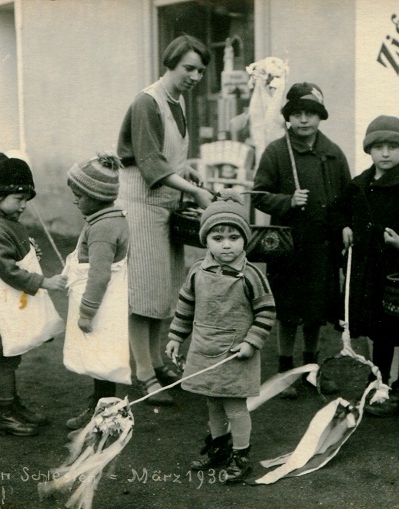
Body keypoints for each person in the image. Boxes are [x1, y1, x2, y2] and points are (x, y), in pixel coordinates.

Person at [116, 35, 214, 405]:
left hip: (166, 205)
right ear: (170, 63)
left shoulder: (179, 102)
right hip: (141, 206)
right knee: (143, 293)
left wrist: (188, 174)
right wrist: (194, 192)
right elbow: (150, 162)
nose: (194, 75)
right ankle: (142, 373)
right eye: (188, 67)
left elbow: (169, 156)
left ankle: (158, 361)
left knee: (163, 290)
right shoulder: (148, 102)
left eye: (201, 70)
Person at [166, 191, 276, 484]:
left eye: (233, 237)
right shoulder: (196, 273)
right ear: (206, 241)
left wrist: (251, 342)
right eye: (218, 238)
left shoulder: (251, 275)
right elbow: (184, 307)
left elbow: (266, 312)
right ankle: (219, 447)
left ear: (244, 239)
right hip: (205, 348)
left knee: (235, 407)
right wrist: (176, 337)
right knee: (213, 402)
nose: (226, 244)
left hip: (237, 352)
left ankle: (241, 455)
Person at [251, 82, 351, 398]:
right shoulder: (277, 152)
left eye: (310, 113)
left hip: (322, 246)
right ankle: (284, 371)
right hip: (288, 248)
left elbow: (347, 197)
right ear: (288, 118)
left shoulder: (333, 153)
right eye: (297, 114)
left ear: (320, 116)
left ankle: (311, 368)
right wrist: (287, 202)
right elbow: (259, 195)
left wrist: (347, 225)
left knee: (316, 310)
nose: (303, 120)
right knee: (288, 309)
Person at [338, 115, 399, 416]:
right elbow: (336, 212)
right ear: (369, 150)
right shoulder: (358, 186)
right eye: (379, 146)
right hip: (370, 275)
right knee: (380, 333)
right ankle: (379, 385)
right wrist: (343, 226)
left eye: (393, 147)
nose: (385, 153)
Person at [0, 153, 67, 436]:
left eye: (27, 198)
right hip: (0, 307)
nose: (24, 205)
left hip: (11, 304)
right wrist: (43, 282)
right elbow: (8, 270)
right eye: (18, 199)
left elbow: (16, 253)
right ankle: (5, 412)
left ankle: (12, 405)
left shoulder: (3, 221)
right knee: (7, 358)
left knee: (12, 357)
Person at [63, 153, 130, 430]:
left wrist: (86, 312)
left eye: (79, 195)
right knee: (103, 357)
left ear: (96, 194)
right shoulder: (106, 220)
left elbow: (99, 274)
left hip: (102, 303)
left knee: (103, 356)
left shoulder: (103, 228)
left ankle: (105, 414)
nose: (75, 200)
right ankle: (101, 406)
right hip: (105, 300)